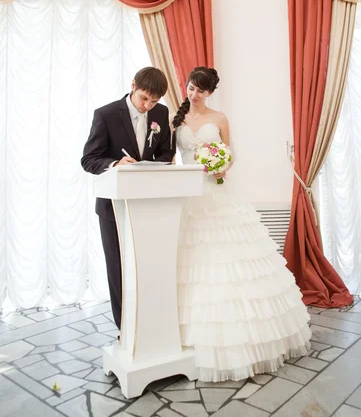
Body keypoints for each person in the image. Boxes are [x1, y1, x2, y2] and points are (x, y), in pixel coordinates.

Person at [173, 66, 311, 382]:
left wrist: (222, 168)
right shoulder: (176, 119)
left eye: (199, 90)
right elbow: (171, 158)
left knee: (232, 258)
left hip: (218, 193)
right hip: (187, 195)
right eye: (190, 88)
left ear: (209, 93)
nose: (193, 95)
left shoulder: (219, 118)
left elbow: (230, 154)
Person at [81, 67, 173, 330]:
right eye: (144, 98)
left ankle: (148, 326)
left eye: (154, 101)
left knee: (148, 266)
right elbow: (88, 159)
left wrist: (152, 165)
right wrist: (115, 164)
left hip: (149, 204)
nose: (148, 106)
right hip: (113, 207)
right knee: (119, 270)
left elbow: (166, 153)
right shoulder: (106, 114)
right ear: (133, 85)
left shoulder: (161, 113)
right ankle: (126, 330)